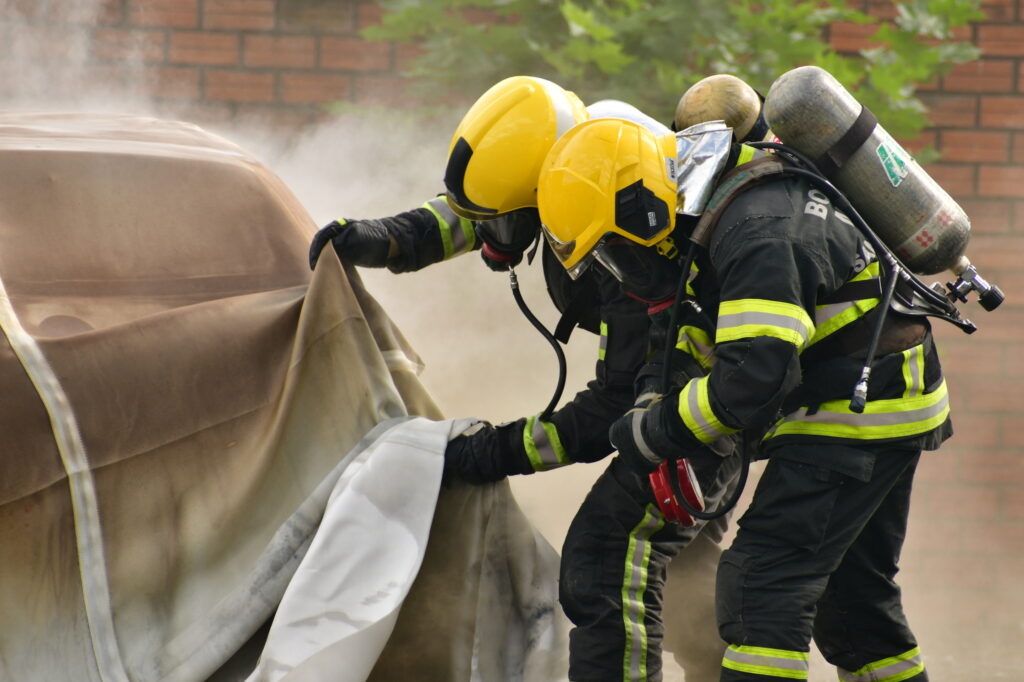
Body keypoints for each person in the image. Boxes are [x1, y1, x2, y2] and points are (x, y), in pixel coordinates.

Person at [308, 75, 760, 681]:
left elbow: (610, 411)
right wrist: (391, 238)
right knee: (679, 581)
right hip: (684, 399)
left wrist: (494, 452)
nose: (492, 242)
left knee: (607, 561)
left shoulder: (624, 229)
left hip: (694, 404)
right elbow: (484, 209)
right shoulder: (581, 163)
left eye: (502, 223)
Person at [536, 112, 949, 681]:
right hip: (885, 393)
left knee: (760, 589)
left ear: (641, 209)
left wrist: (657, 433)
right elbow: (691, 329)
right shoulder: (713, 203)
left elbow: (752, 377)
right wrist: (657, 404)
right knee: (853, 605)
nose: (619, 271)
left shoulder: (760, 233)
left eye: (612, 251)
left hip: (856, 408)